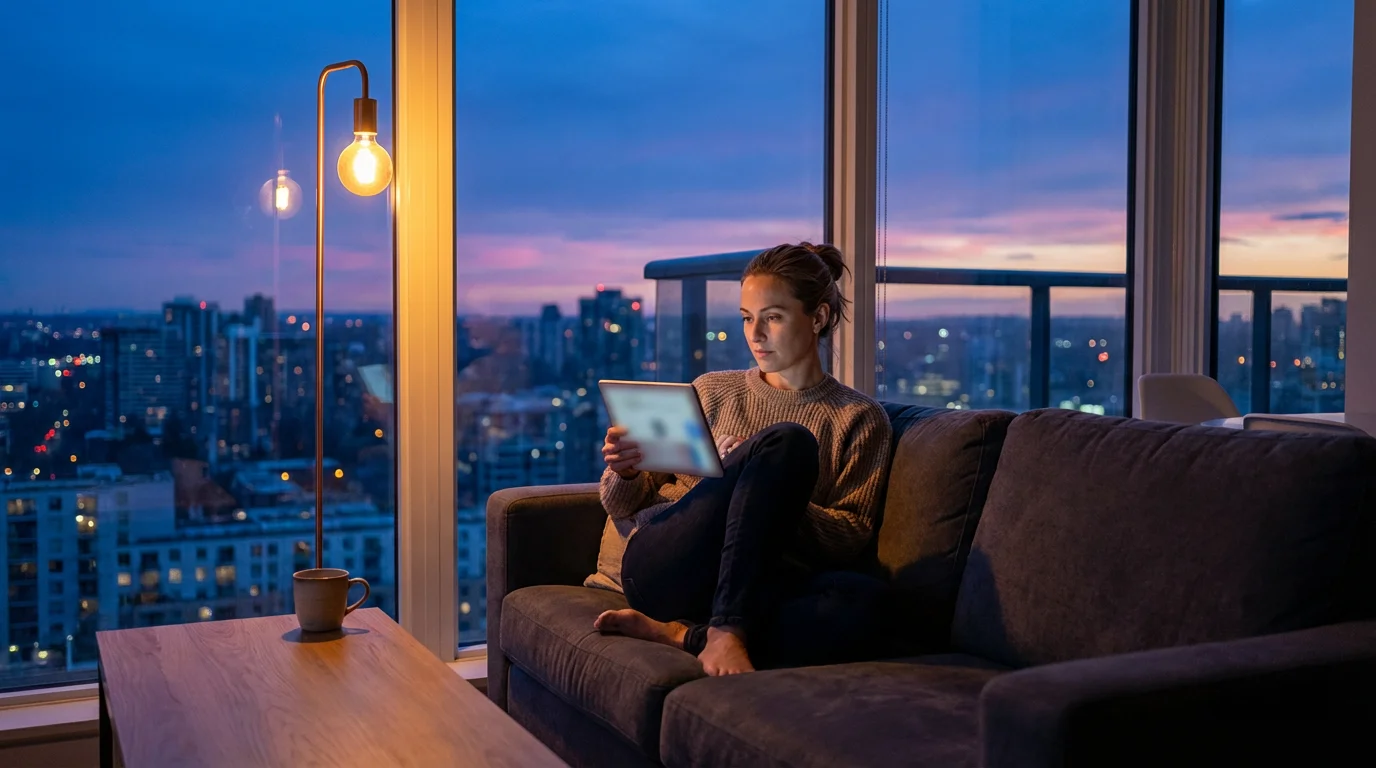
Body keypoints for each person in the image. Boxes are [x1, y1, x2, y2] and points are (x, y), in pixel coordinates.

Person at [585, 242, 893, 676]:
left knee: (869, 604)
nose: (755, 334)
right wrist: (626, 470)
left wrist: (764, 487)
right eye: (748, 318)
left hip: (754, 584)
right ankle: (726, 633)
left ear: (818, 317)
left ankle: (684, 635)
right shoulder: (713, 391)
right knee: (788, 443)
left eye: (773, 317)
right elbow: (621, 505)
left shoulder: (858, 419)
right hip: (664, 568)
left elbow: (850, 536)